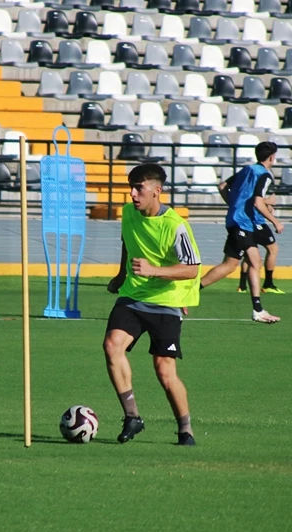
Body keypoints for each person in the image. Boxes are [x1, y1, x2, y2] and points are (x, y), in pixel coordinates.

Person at [104, 163, 201, 446]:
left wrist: (154, 270)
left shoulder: (176, 226)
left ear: (157, 191)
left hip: (166, 301)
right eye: (131, 188)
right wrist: (121, 275)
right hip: (134, 296)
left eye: (139, 188)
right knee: (112, 345)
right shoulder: (128, 213)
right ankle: (132, 416)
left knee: (164, 370)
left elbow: (192, 269)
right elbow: (127, 241)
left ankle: (185, 430)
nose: (133, 194)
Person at [198, 142, 282, 323]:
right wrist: (275, 221)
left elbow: (222, 186)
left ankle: (258, 308)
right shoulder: (265, 175)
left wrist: (234, 207)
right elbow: (258, 203)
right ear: (271, 157)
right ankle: (191, 291)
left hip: (239, 221)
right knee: (241, 263)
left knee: (243, 263)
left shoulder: (247, 169)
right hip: (243, 223)